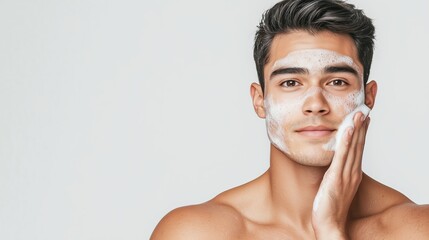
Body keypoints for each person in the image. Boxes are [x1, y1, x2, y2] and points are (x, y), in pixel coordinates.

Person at [150, 0, 429, 239]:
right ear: (260, 100)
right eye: (291, 82)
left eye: (337, 81)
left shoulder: (416, 230)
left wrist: (330, 230)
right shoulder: (197, 233)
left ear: (368, 97)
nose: (316, 105)